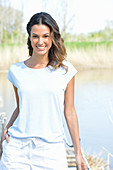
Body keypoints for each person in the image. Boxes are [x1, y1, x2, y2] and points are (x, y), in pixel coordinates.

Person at [0, 12, 88, 170]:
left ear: (52, 37)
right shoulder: (16, 70)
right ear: (29, 37)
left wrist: (78, 152)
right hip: (16, 150)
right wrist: (7, 128)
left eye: (45, 36)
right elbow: (21, 108)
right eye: (35, 36)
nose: (40, 42)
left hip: (51, 150)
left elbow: (69, 112)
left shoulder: (65, 71)